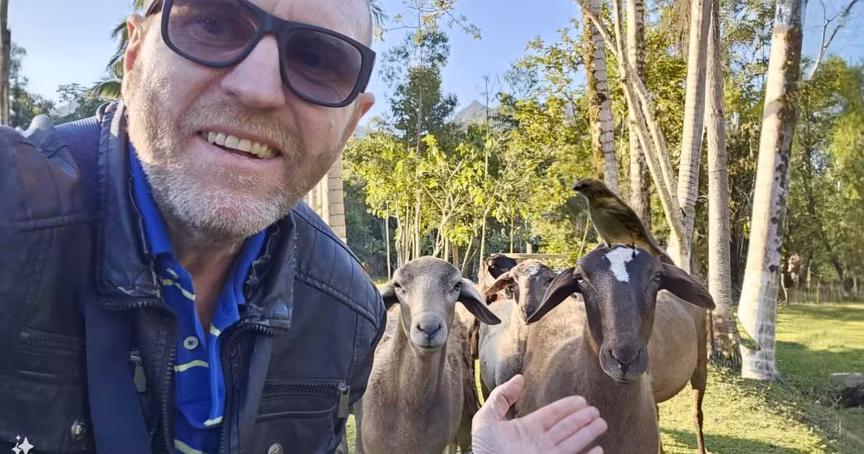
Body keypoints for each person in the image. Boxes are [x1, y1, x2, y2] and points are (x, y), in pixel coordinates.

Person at [0, 0, 606, 453]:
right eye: (212, 23)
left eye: (318, 60)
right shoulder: (12, 217)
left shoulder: (346, 317)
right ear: (133, 57)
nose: (257, 88)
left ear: (350, 124)